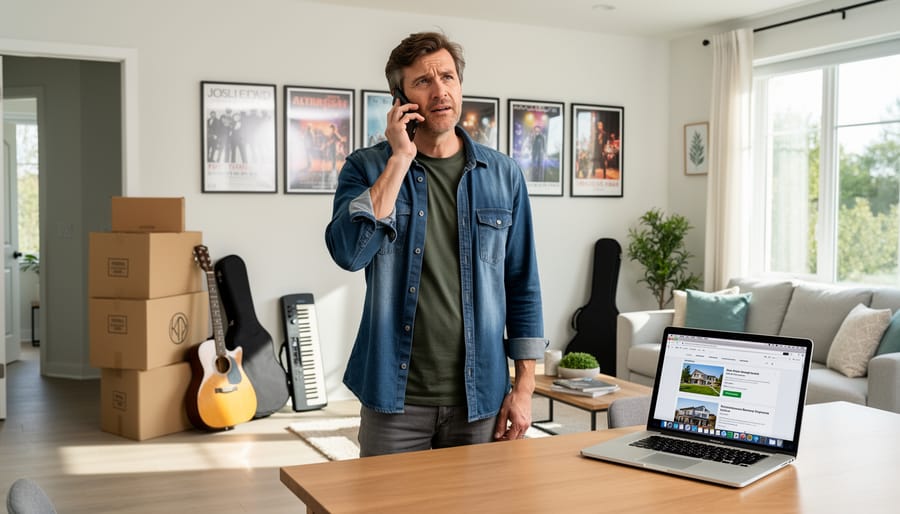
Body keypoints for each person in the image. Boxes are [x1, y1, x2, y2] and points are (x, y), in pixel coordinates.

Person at [325, 31, 547, 457]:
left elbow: (523, 284)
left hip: (479, 396)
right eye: (423, 82)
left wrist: (524, 387)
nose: (440, 91)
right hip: (394, 394)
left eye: (448, 77)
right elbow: (349, 253)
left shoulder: (503, 175)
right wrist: (400, 160)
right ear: (400, 98)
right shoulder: (367, 166)